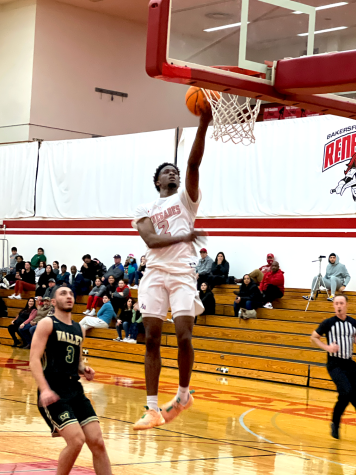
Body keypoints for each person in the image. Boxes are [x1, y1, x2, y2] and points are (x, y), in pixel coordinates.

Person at [132, 108, 211, 430]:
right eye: (167, 171)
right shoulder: (145, 208)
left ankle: (182, 395)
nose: (174, 172)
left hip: (182, 274)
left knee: (183, 335)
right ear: (157, 181)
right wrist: (183, 235)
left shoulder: (187, 200)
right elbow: (150, 240)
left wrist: (203, 122)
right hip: (154, 273)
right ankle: (152, 408)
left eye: (175, 170)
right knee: (151, 337)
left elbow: (193, 163)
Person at [29, 286, 112, 473]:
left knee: (97, 441)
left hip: (75, 390)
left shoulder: (79, 329)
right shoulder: (47, 324)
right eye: (63, 293)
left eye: (71, 294)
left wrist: (84, 369)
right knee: (76, 440)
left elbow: (75, 359)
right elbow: (33, 359)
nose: (68, 297)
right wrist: (45, 389)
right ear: (53, 301)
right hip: (53, 390)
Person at [311, 295, 356, 439]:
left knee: (353, 396)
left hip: (349, 363)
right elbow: (313, 337)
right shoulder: (328, 323)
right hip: (335, 364)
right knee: (346, 391)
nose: (339, 306)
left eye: (341, 303)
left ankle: (335, 423)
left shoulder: (353, 323)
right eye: (336, 303)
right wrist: (327, 347)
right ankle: (335, 423)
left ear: (346, 305)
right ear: (333, 306)